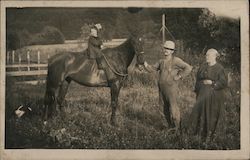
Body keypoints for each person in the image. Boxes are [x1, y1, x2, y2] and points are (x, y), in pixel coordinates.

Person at [144, 40, 192, 132]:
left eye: (169, 49)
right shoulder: (161, 61)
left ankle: (177, 128)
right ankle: (168, 127)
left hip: (172, 89)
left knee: (173, 108)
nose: (166, 50)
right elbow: (152, 69)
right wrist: (144, 64)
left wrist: (179, 76)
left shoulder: (176, 60)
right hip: (161, 89)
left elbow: (188, 68)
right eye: (165, 48)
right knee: (162, 108)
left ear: (172, 51)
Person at [188, 48, 227, 139]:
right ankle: (198, 133)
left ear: (214, 57)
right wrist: (198, 90)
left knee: (211, 113)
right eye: (206, 55)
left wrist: (212, 83)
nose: (206, 57)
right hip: (202, 94)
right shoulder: (203, 67)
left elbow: (224, 82)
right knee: (199, 112)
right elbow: (198, 80)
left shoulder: (220, 68)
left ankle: (211, 134)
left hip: (214, 95)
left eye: (208, 55)